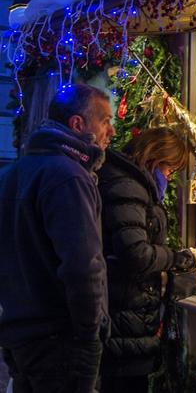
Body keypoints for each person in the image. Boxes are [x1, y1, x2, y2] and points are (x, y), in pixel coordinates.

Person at [0, 83, 115, 393]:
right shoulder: (68, 176)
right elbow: (82, 267)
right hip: (59, 342)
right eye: (105, 120)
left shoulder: (15, 172)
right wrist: (91, 336)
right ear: (78, 125)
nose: (112, 131)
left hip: (20, 335)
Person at [96, 127, 196, 393]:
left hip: (127, 312)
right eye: (169, 169)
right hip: (124, 312)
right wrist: (176, 258)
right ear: (154, 158)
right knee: (125, 384)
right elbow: (135, 253)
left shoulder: (129, 181)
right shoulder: (128, 186)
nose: (169, 177)